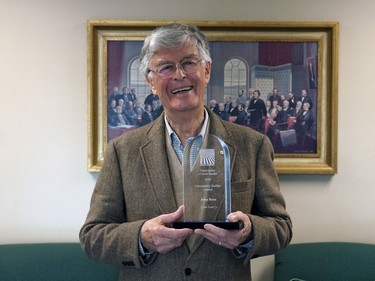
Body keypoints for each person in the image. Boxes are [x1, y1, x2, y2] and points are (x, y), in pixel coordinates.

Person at [80, 23, 292, 281]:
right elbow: (92, 236)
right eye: (166, 67)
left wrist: (248, 233)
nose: (179, 75)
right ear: (151, 82)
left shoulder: (252, 145)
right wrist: (142, 237)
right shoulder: (122, 151)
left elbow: (281, 227)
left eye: (189, 62)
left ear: (207, 70)